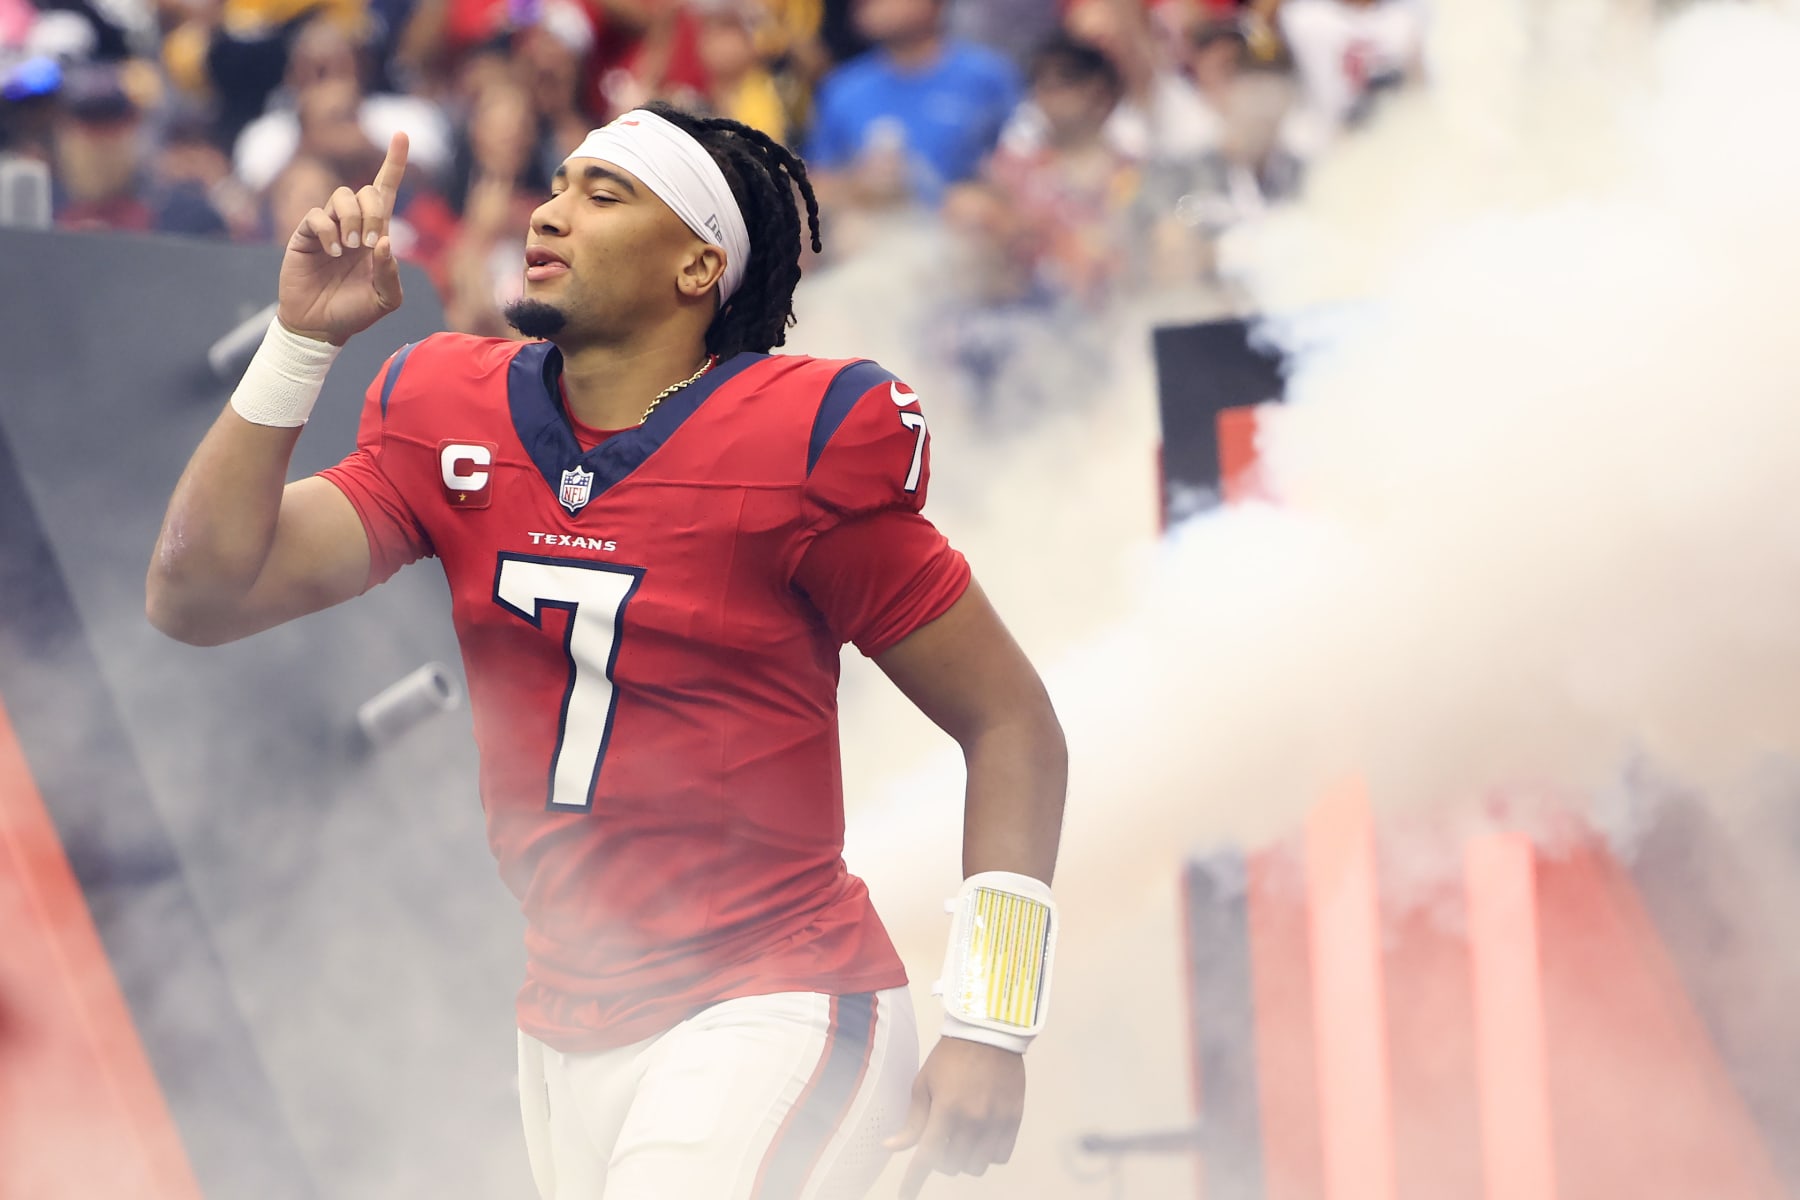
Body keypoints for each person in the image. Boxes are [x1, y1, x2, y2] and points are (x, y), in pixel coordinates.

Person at [145, 102, 1067, 1199]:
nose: (550, 210)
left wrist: (994, 1019)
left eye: (604, 193)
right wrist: (300, 346)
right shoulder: (453, 413)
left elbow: (1012, 725)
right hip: (564, 1019)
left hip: (773, 998)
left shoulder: (803, 438)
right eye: (558, 183)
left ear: (697, 267)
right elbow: (197, 593)